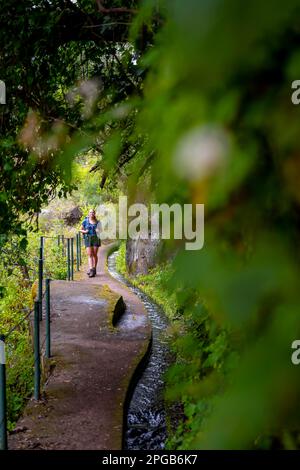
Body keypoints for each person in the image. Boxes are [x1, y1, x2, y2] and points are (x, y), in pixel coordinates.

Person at [80, 209, 101, 278]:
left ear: (94, 214)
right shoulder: (85, 221)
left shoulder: (98, 222)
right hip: (88, 238)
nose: (91, 213)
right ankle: (91, 270)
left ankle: (94, 269)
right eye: (90, 212)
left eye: (93, 212)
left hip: (96, 238)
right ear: (88, 214)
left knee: (95, 254)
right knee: (90, 255)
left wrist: (98, 231)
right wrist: (85, 232)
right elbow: (80, 229)